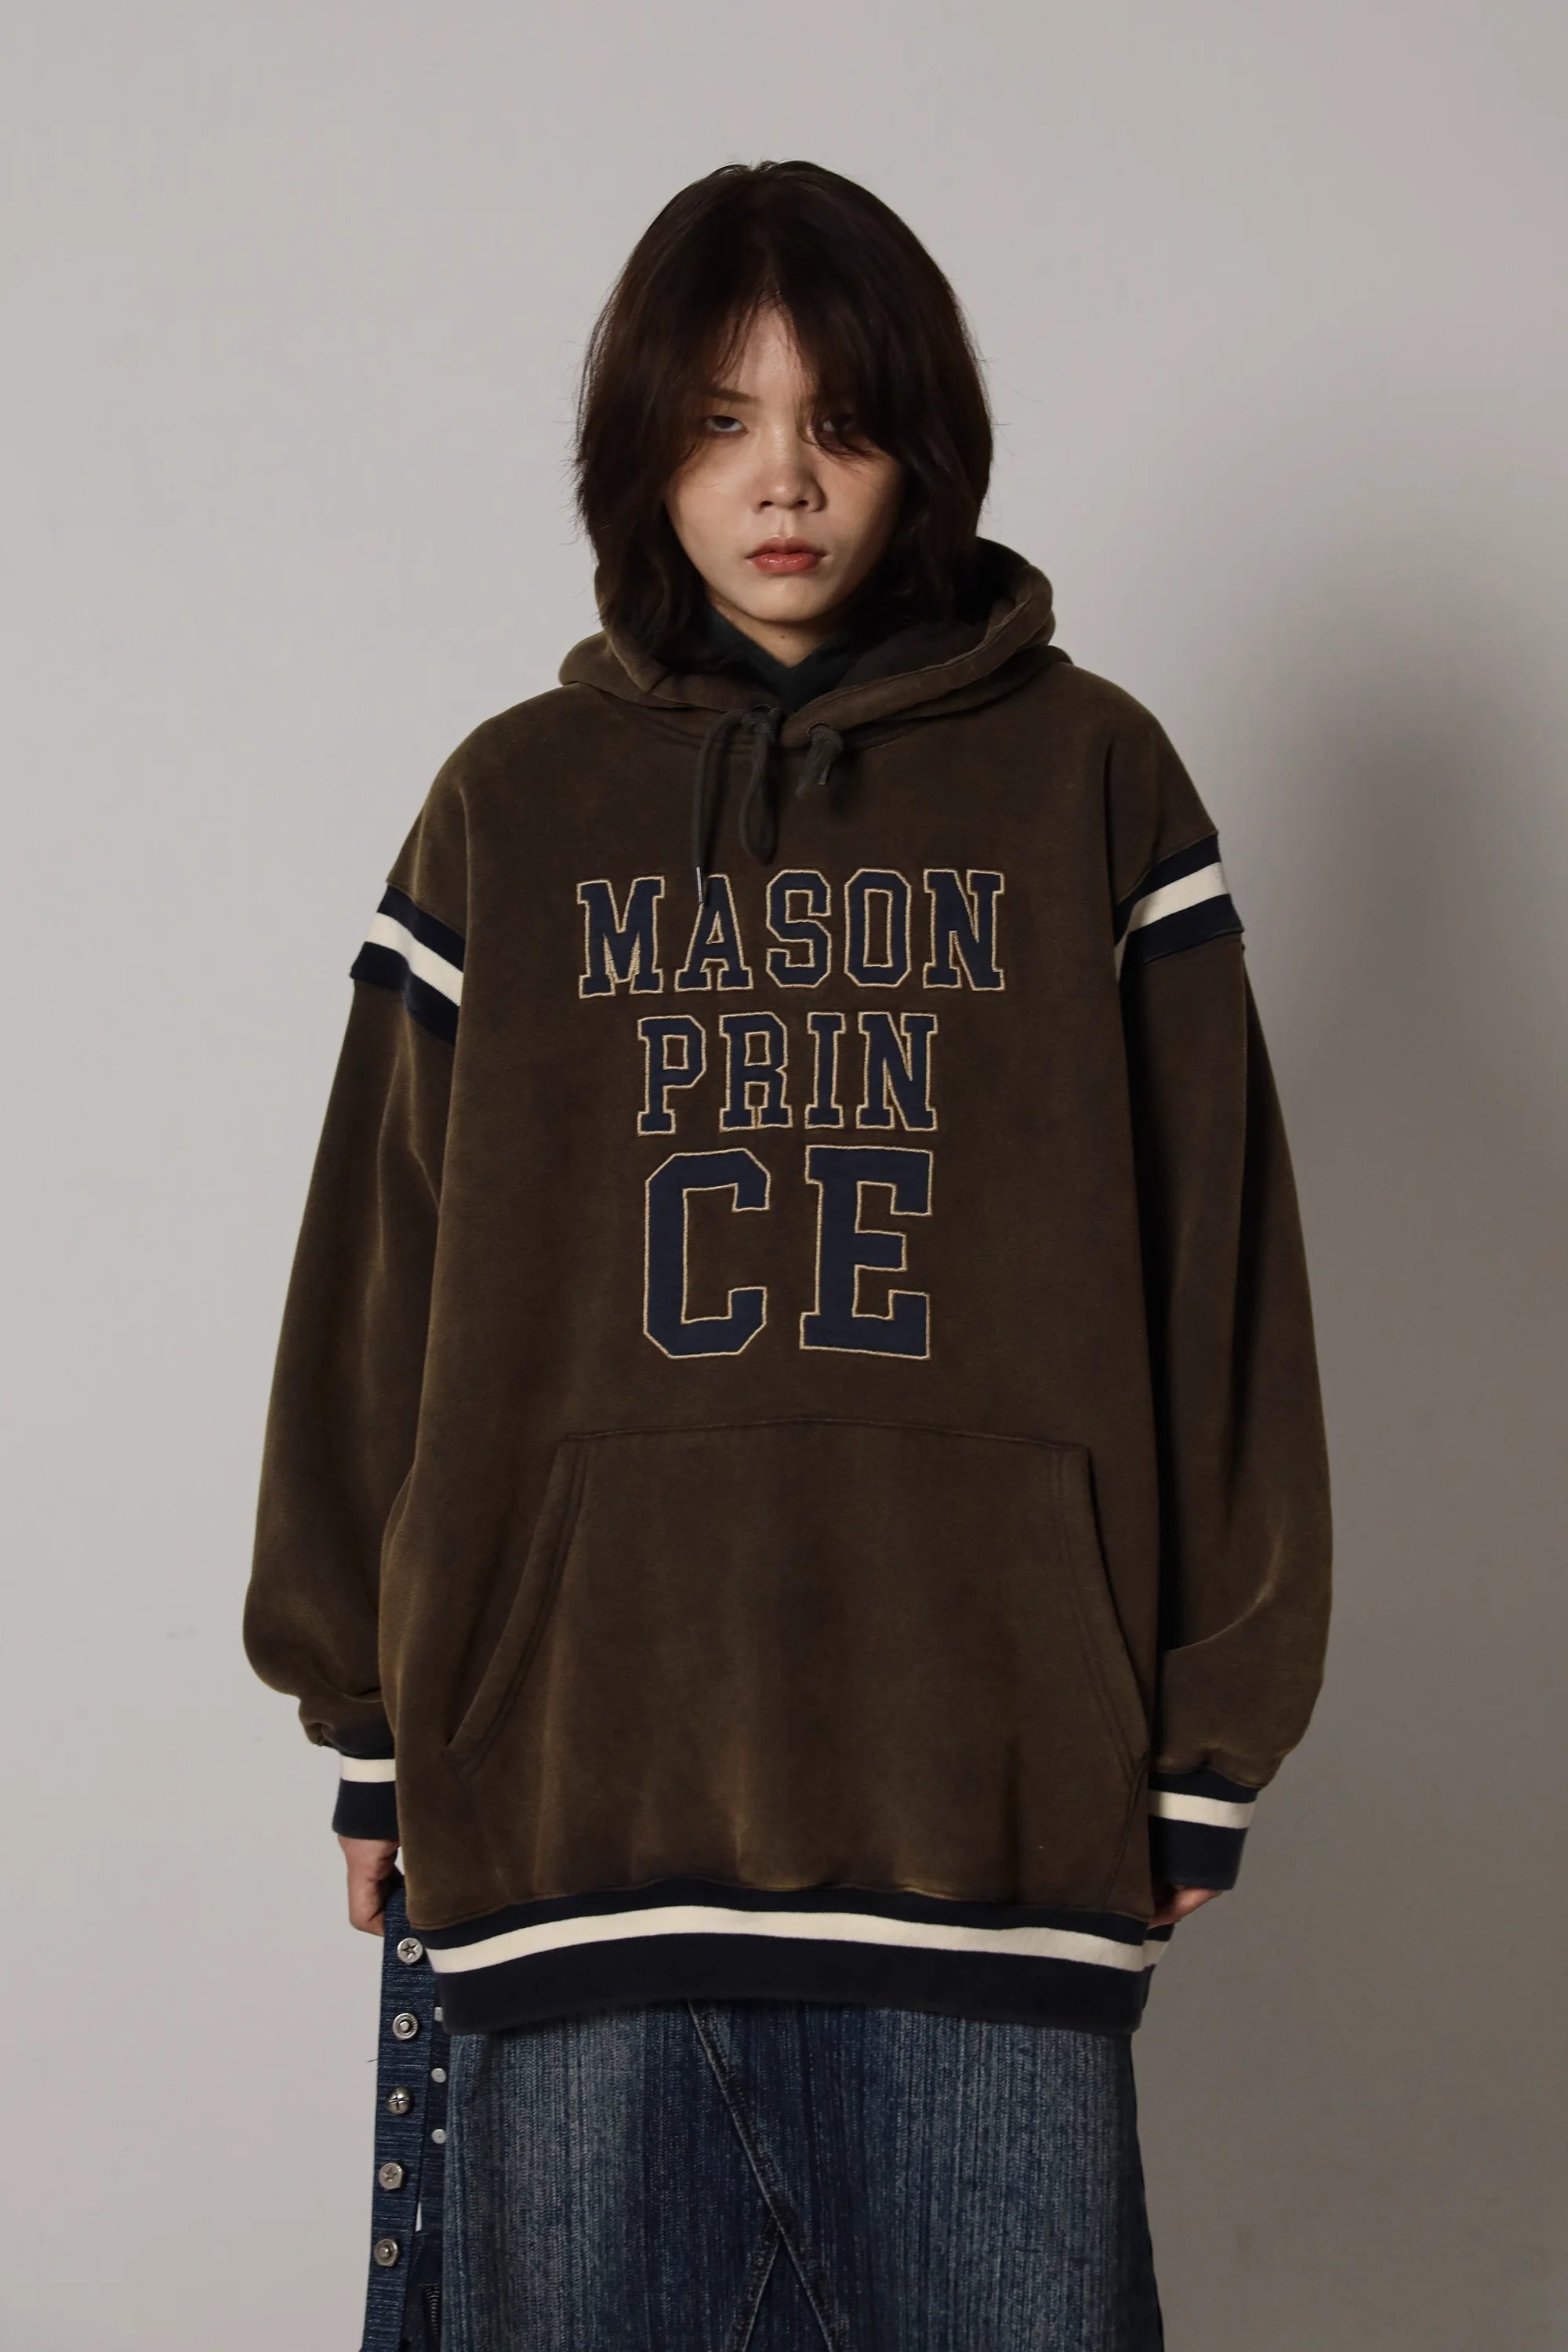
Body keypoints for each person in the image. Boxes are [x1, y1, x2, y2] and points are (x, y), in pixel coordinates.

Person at [243, 158, 1332, 2351]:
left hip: (985, 1824)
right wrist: (368, 1722)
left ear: (925, 444)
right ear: (640, 453)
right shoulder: (514, 805)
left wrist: (1208, 1733)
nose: (783, 482)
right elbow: (378, 1279)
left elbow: (1218, 1271)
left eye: (840, 424)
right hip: (576, 1808)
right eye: (723, 421)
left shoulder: (1092, 784)